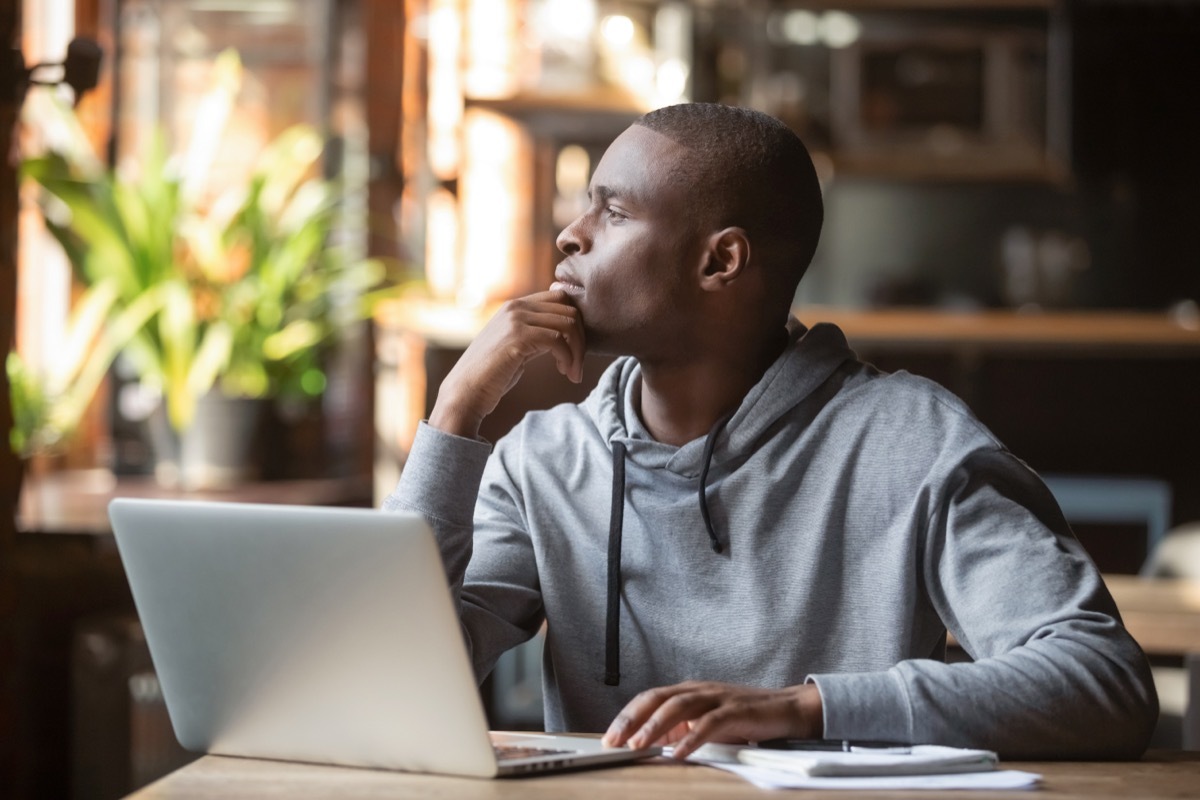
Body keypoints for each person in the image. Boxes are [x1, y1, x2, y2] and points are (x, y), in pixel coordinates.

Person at [384, 103, 1157, 760]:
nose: (571, 235)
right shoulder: (542, 462)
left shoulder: (911, 441)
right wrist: (455, 412)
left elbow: (1102, 679)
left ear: (721, 262)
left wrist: (806, 708)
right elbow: (392, 676)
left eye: (613, 212)